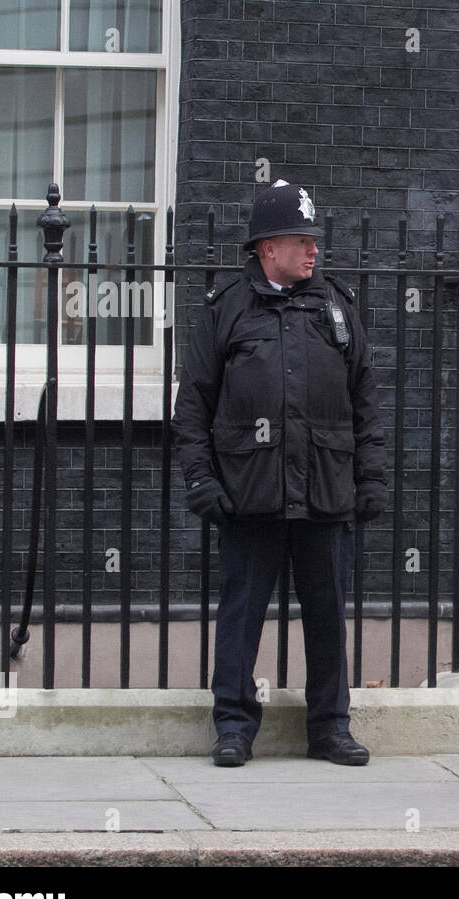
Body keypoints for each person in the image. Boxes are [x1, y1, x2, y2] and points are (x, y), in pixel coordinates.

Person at [173, 180, 387, 767]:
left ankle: (330, 728)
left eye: (314, 240)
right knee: (241, 614)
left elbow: (365, 398)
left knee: (327, 615)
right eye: (301, 240)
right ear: (267, 247)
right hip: (249, 492)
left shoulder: (336, 307)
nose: (313, 250)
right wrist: (200, 480)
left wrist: (371, 477)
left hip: (325, 488)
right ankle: (235, 727)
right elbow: (193, 404)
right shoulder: (225, 310)